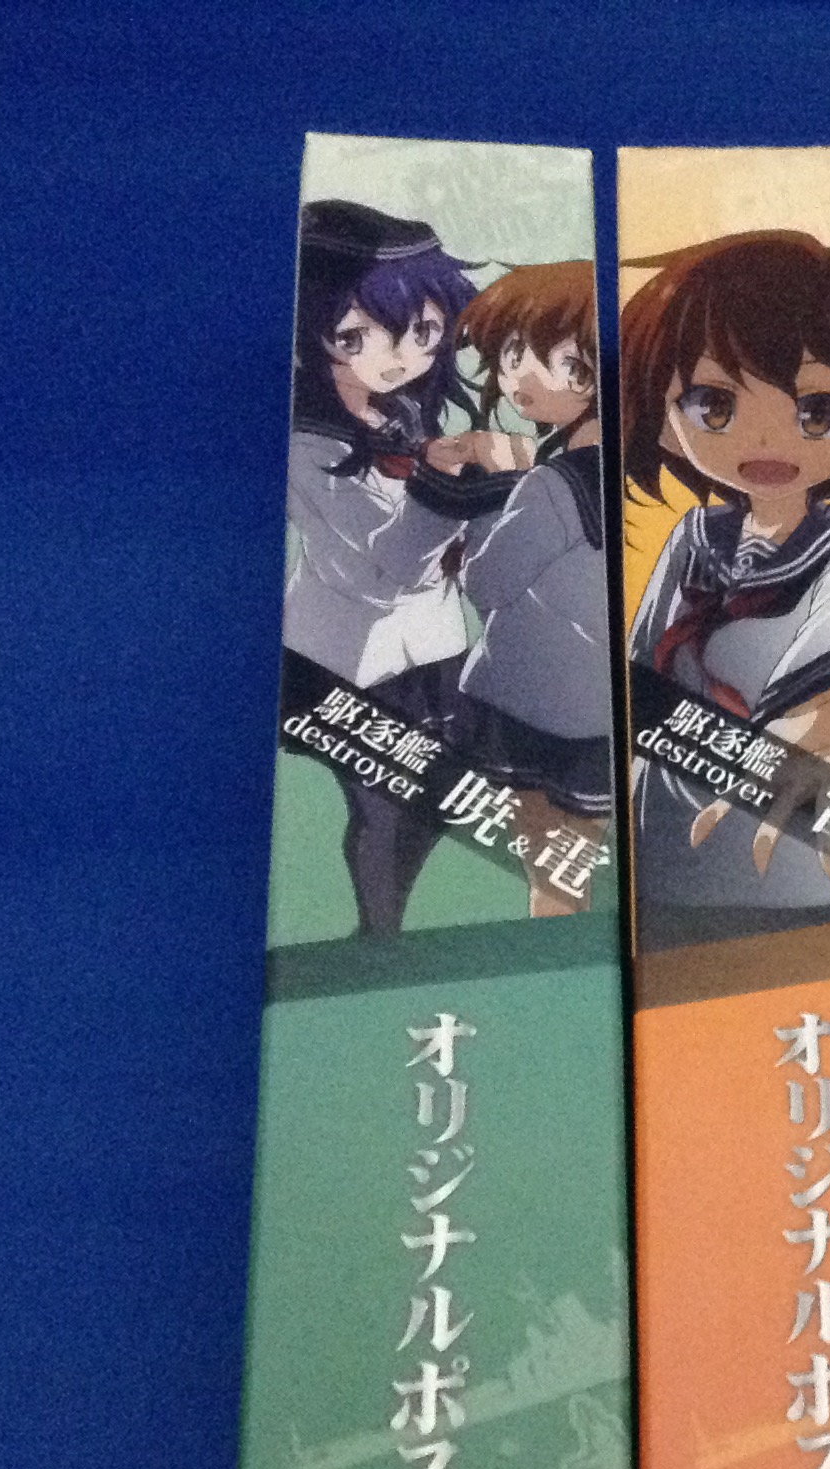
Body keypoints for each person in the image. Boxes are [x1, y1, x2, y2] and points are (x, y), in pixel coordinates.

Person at [619, 230, 830, 950]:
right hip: (675, 863)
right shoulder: (691, 540)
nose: (768, 440)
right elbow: (637, 683)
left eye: (818, 413)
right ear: (667, 422)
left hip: (823, 875)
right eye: (714, 406)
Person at [282, 200, 489, 934]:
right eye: (357, 336)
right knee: (384, 805)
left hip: (434, 647)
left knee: (435, 800)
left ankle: (387, 927)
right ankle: (379, 937)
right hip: (349, 658)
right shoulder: (307, 443)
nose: (399, 356)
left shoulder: (402, 413)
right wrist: (455, 491)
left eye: (425, 332)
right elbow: (387, 566)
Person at [439, 261, 614, 916]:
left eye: (566, 365)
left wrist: (496, 491)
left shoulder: (551, 485)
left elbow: (487, 581)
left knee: (551, 881)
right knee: (572, 871)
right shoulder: (642, 476)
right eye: (513, 354)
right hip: (604, 713)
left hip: (532, 712)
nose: (522, 380)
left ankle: (557, 957)